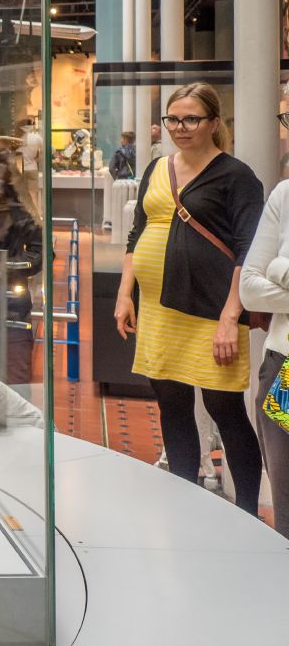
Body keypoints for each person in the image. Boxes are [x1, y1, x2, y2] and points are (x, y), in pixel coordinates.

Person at [115, 82, 264, 515]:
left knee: (223, 406)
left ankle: (248, 512)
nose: (180, 128)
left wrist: (229, 317)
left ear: (214, 123)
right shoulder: (157, 168)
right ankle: (184, 500)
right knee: (171, 402)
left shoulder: (236, 176)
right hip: (158, 306)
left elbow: (246, 249)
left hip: (210, 307)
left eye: (191, 119)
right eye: (173, 119)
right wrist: (126, 295)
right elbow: (137, 233)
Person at [241, 136, 289, 537]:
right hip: (285, 370)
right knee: (286, 504)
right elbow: (249, 289)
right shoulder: (285, 195)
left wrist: (281, 268)